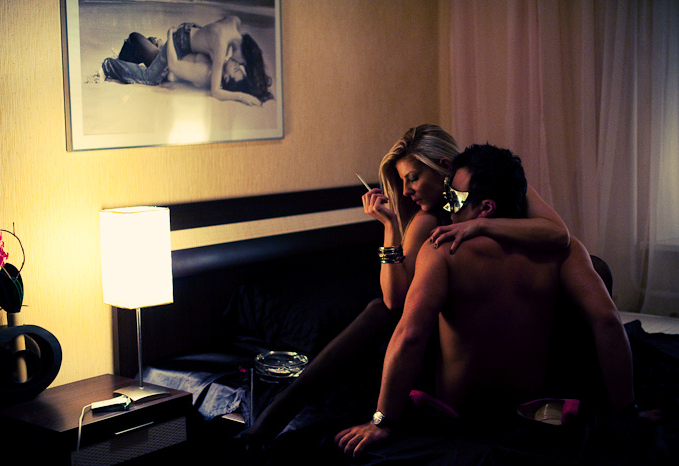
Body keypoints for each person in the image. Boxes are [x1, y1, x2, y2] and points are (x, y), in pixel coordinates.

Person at [239, 126, 570, 447]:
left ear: (444, 167)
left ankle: (276, 416)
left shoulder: (498, 185)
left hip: (495, 328)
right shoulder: (428, 221)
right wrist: (390, 227)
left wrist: (480, 226)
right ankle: (275, 416)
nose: (407, 190)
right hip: (440, 335)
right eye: (401, 181)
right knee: (378, 311)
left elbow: (559, 234)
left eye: (412, 177)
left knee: (379, 313)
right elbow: (395, 300)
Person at [334, 144, 634, 458]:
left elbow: (410, 335)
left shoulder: (441, 251)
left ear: (486, 208)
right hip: (529, 408)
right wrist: (628, 411)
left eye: (454, 198)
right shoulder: (565, 251)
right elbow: (608, 321)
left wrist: (381, 421)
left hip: (458, 414)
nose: (447, 206)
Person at [101, 16, 273, 106]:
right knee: (149, 77)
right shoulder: (221, 50)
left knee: (149, 50)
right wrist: (242, 96)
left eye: (238, 67)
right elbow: (216, 92)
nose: (238, 63)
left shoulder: (234, 23)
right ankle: (109, 65)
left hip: (187, 32)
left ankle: (153, 43)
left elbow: (210, 33)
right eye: (242, 63)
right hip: (180, 42)